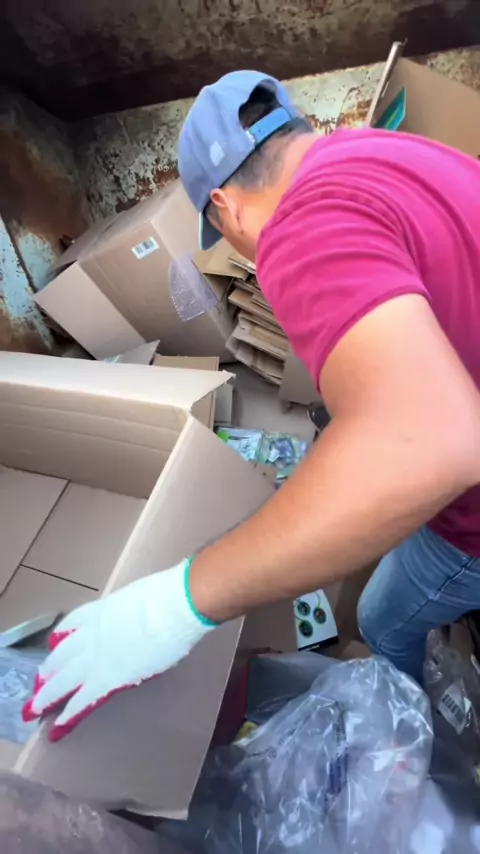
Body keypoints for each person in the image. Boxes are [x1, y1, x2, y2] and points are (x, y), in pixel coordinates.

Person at [24, 71, 480, 741]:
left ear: (224, 207)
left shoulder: (297, 229)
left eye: (220, 233)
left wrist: (172, 607)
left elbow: (430, 440)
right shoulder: (381, 151)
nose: (238, 248)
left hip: (472, 514)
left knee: (380, 620)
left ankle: (406, 740)